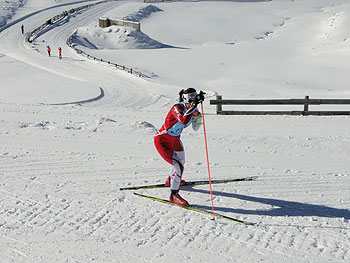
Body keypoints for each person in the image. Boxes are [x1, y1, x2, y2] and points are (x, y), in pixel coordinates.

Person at [154, 88, 205, 206]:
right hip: (162, 140)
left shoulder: (192, 109)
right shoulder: (177, 108)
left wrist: (198, 117)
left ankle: (171, 180)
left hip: (175, 140)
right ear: (185, 99)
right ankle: (174, 195)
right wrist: (193, 108)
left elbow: (195, 128)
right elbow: (182, 120)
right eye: (191, 100)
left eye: (194, 99)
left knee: (181, 163)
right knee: (177, 167)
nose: (193, 102)